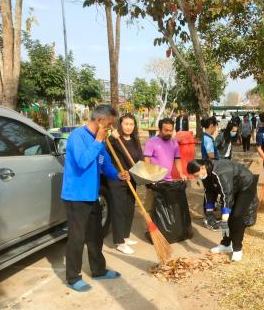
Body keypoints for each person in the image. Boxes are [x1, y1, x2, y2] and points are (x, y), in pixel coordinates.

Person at [61, 104, 129, 292]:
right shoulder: (78, 137)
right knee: (77, 237)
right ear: (99, 121)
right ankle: (73, 277)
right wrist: (98, 141)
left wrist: (117, 174)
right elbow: (83, 162)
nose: (111, 129)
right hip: (76, 196)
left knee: (95, 236)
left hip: (92, 195)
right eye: (109, 125)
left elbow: (104, 164)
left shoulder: (99, 141)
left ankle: (98, 270)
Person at [187, 159, 258, 262]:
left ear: (202, 167)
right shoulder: (205, 173)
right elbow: (209, 191)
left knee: (236, 216)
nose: (197, 177)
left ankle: (237, 249)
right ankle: (226, 244)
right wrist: (209, 211)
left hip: (245, 185)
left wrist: (225, 213)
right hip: (232, 186)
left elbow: (226, 193)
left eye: (197, 174)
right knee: (225, 219)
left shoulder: (220, 172)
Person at [108, 113, 143, 254]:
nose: (128, 127)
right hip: (117, 179)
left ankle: (125, 236)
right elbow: (109, 156)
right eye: (126, 124)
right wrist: (113, 137)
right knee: (118, 210)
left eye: (131, 124)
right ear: (120, 125)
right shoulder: (114, 139)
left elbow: (138, 158)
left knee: (129, 208)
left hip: (131, 179)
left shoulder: (134, 140)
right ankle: (119, 242)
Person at [143, 118, 188, 211]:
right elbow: (146, 159)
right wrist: (149, 176)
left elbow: (177, 159)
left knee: (166, 208)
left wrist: (181, 173)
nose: (169, 133)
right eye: (166, 130)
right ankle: (148, 225)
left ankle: (162, 225)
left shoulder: (174, 144)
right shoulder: (151, 142)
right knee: (149, 207)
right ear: (160, 130)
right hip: (154, 181)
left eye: (171, 130)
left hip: (168, 181)